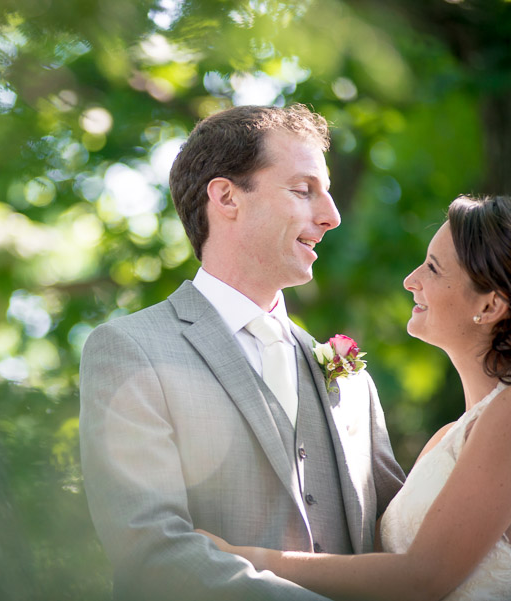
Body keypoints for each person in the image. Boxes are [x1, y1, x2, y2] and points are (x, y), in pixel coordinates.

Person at [79, 104, 405, 601]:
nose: (331, 216)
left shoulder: (352, 380)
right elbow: (150, 551)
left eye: (329, 193)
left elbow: (399, 540)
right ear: (227, 197)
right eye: (303, 190)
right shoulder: (131, 350)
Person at [199, 194, 511, 601]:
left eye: (434, 267)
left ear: (490, 304)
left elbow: (421, 578)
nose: (412, 279)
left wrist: (240, 559)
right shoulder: (446, 439)